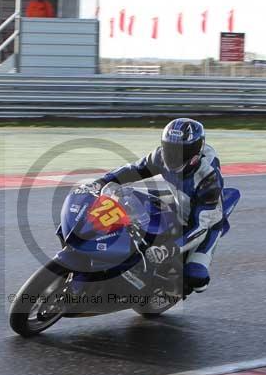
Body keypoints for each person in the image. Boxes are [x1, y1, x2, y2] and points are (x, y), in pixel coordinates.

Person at [84, 118, 225, 294]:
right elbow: (133, 169)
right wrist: (101, 181)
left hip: (206, 222)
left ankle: (174, 288)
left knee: (197, 279)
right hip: (175, 200)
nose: (172, 156)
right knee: (125, 200)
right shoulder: (161, 156)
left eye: (180, 151)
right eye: (169, 148)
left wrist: (167, 250)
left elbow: (200, 227)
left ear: (195, 153)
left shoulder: (208, 178)